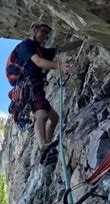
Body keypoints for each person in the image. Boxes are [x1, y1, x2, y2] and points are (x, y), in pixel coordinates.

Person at [16, 22, 82, 164]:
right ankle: (43, 147)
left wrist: (83, 40)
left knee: (54, 118)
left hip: (37, 86)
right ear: (34, 30)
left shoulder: (41, 50)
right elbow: (39, 62)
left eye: (47, 33)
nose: (45, 35)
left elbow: (60, 49)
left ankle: (46, 148)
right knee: (42, 115)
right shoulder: (26, 45)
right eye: (43, 31)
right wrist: (60, 66)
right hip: (30, 86)